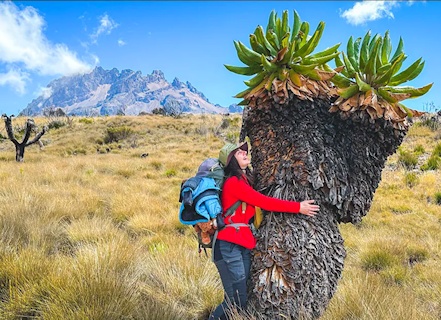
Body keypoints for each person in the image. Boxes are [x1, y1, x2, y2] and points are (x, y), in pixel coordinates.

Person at [209, 142, 319, 320]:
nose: (245, 153)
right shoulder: (234, 183)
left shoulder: (245, 181)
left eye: (244, 150)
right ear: (231, 161)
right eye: (238, 153)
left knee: (237, 297)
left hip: (241, 244)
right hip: (229, 246)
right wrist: (298, 207)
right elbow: (263, 202)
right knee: (236, 300)